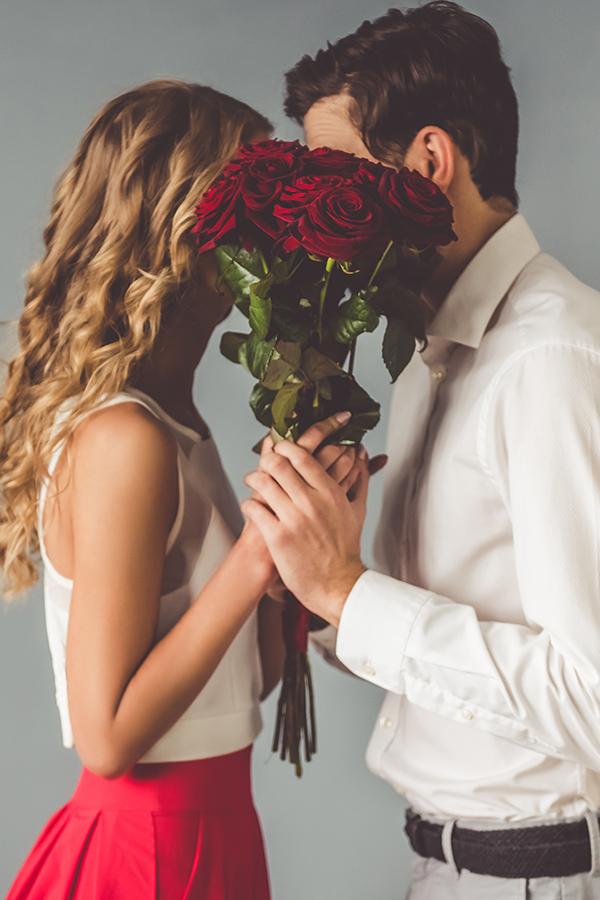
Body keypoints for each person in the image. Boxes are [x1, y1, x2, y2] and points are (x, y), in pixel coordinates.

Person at [243, 3, 600, 897]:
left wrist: (348, 592)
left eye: (335, 175)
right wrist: (322, 593)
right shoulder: (427, 352)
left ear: (430, 163)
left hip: (532, 879)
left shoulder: (550, 359)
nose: (315, 214)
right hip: (441, 869)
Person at [0, 79, 366, 899]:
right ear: (187, 234)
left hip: (219, 834)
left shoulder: (178, 423)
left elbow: (243, 685)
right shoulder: (125, 439)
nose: (282, 233)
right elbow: (106, 738)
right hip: (146, 854)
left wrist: (295, 559)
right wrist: (252, 554)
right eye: (260, 207)